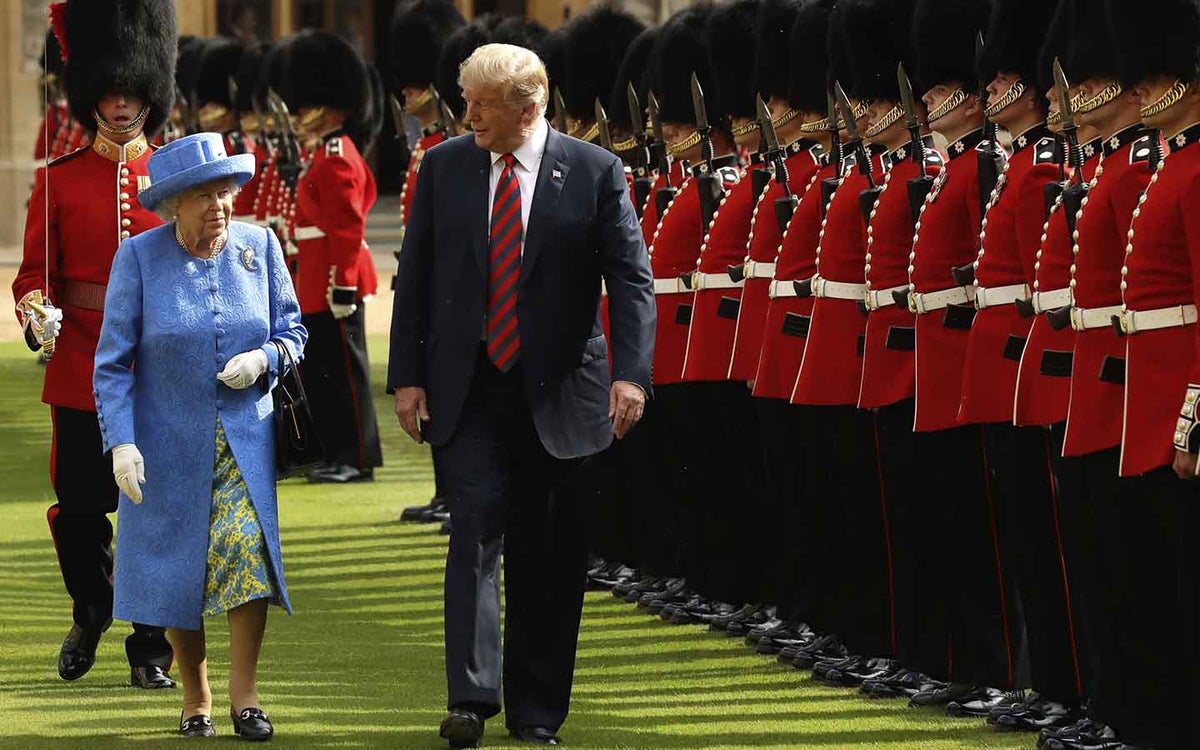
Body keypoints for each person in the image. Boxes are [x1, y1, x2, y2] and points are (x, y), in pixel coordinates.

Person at [388, 42, 655, 748]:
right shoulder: (444, 167)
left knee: (549, 550)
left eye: (480, 104)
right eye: (464, 99)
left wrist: (632, 374)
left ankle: (537, 710)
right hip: (469, 384)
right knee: (472, 530)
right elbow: (414, 276)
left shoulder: (596, 172)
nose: (465, 113)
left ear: (527, 106)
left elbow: (630, 280)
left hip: (562, 387)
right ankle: (470, 699)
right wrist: (406, 376)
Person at [93, 132, 306, 740]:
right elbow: (111, 364)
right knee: (177, 565)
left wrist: (265, 358)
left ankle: (246, 697)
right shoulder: (137, 258)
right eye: (203, 196)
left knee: (246, 556)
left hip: (245, 439)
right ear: (173, 205)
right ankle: (195, 696)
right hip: (165, 445)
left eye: (224, 192)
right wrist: (122, 443)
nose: (218, 206)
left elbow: (294, 331)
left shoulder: (259, 246)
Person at [12, 0, 176, 689]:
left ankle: (151, 650)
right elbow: (31, 275)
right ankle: (92, 606)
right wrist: (36, 314)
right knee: (81, 511)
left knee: (153, 510)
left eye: (132, 89)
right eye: (109, 90)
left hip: (158, 369)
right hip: (79, 364)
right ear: (91, 95)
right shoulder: (59, 178)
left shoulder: (176, 172)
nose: (120, 102)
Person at [285, 30, 382, 484]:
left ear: (332, 104)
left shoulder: (338, 155)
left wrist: (343, 279)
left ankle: (357, 458)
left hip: (333, 280)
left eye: (307, 104)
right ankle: (335, 452)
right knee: (323, 373)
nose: (300, 113)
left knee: (345, 374)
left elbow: (347, 225)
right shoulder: (322, 152)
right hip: (316, 278)